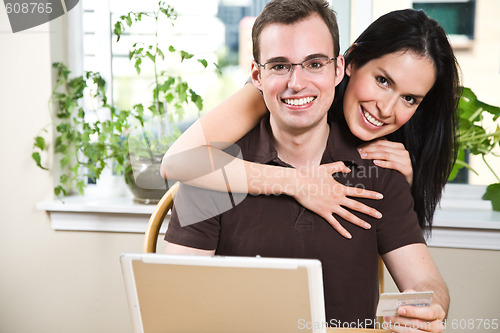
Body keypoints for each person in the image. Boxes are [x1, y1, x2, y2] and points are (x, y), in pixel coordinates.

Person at [164, 0, 449, 331]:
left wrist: (427, 306)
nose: (296, 82)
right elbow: (176, 305)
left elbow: (426, 282)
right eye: (280, 66)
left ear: (337, 67)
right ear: (257, 74)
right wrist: (298, 182)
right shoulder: (210, 169)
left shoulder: (383, 168)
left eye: (315, 64)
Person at [161, 6, 460, 239]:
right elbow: (177, 162)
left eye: (410, 99)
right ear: (350, 62)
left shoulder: (398, 153)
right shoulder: (284, 88)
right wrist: (298, 182)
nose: (385, 108)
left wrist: (406, 185)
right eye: (382, 81)